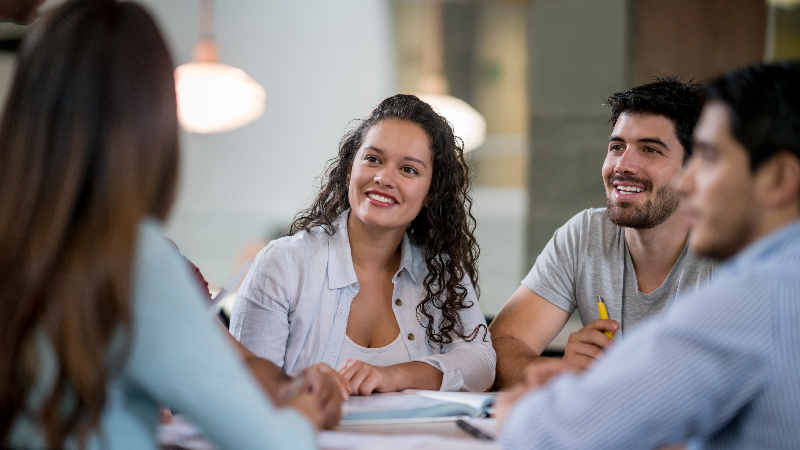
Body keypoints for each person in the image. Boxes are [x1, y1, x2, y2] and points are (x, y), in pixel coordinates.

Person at [0, 1, 337, 448]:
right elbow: (269, 443)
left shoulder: (17, 242)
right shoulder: (132, 258)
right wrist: (301, 415)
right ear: (150, 119)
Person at [497, 61, 800, 449]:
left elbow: (548, 434)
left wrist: (527, 412)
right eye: (616, 147)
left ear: (778, 180)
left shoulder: (757, 296)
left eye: (709, 158)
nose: (689, 182)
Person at [230, 94, 496, 395]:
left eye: (408, 169)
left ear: (431, 193)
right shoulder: (283, 263)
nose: (383, 178)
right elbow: (248, 391)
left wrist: (393, 376)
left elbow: (482, 363)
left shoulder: (443, 272)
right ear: (348, 170)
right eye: (373, 159)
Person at [489, 79, 718, 387]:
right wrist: (560, 374)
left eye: (650, 150)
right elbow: (500, 345)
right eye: (617, 147)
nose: (623, 165)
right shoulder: (585, 234)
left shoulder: (728, 251)